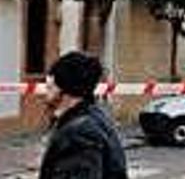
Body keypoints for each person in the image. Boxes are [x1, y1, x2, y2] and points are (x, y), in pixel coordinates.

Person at [39, 51, 128, 179]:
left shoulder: (79, 133)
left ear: (64, 89)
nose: (45, 93)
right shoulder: (93, 116)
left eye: (49, 88)